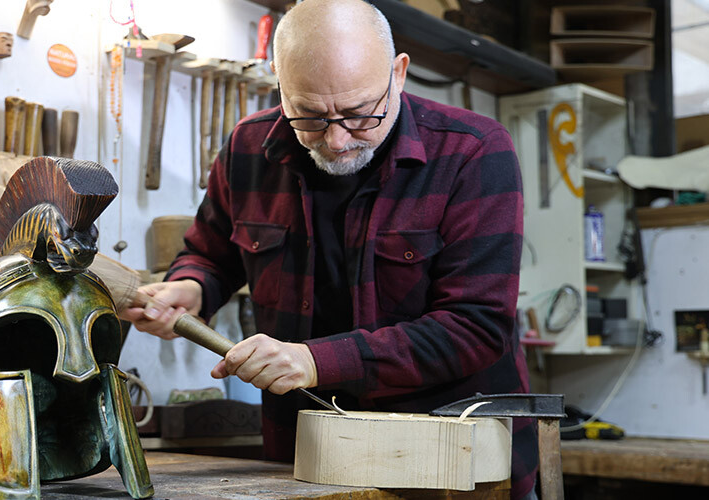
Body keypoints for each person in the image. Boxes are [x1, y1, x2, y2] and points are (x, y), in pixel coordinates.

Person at [119, 0, 536, 498]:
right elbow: (211, 253)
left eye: (361, 115)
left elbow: (476, 327)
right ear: (280, 83)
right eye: (311, 116)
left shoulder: (472, 151)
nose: (337, 141)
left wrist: (317, 361)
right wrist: (191, 287)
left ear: (398, 74)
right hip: (305, 453)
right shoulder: (248, 147)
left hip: (447, 456)